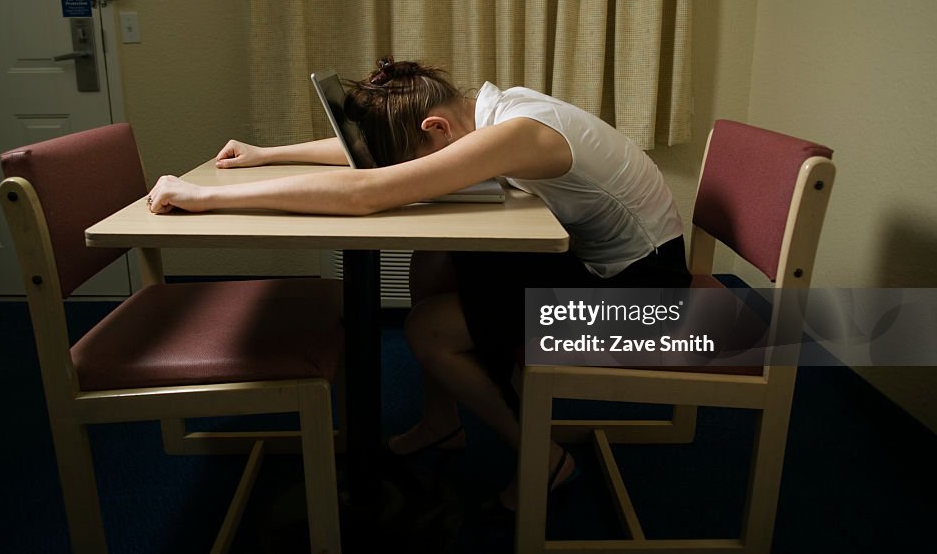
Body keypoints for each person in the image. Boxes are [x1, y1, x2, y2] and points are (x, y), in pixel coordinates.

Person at [146, 57, 691, 514]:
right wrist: (269, 154)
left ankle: (546, 460)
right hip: (605, 267)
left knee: (429, 330)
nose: (416, 167)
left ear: (437, 129)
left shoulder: (521, 132)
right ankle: (442, 420)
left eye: (414, 154)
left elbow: (368, 190)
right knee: (432, 258)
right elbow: (375, 161)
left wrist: (205, 196)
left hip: (648, 303)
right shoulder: (495, 110)